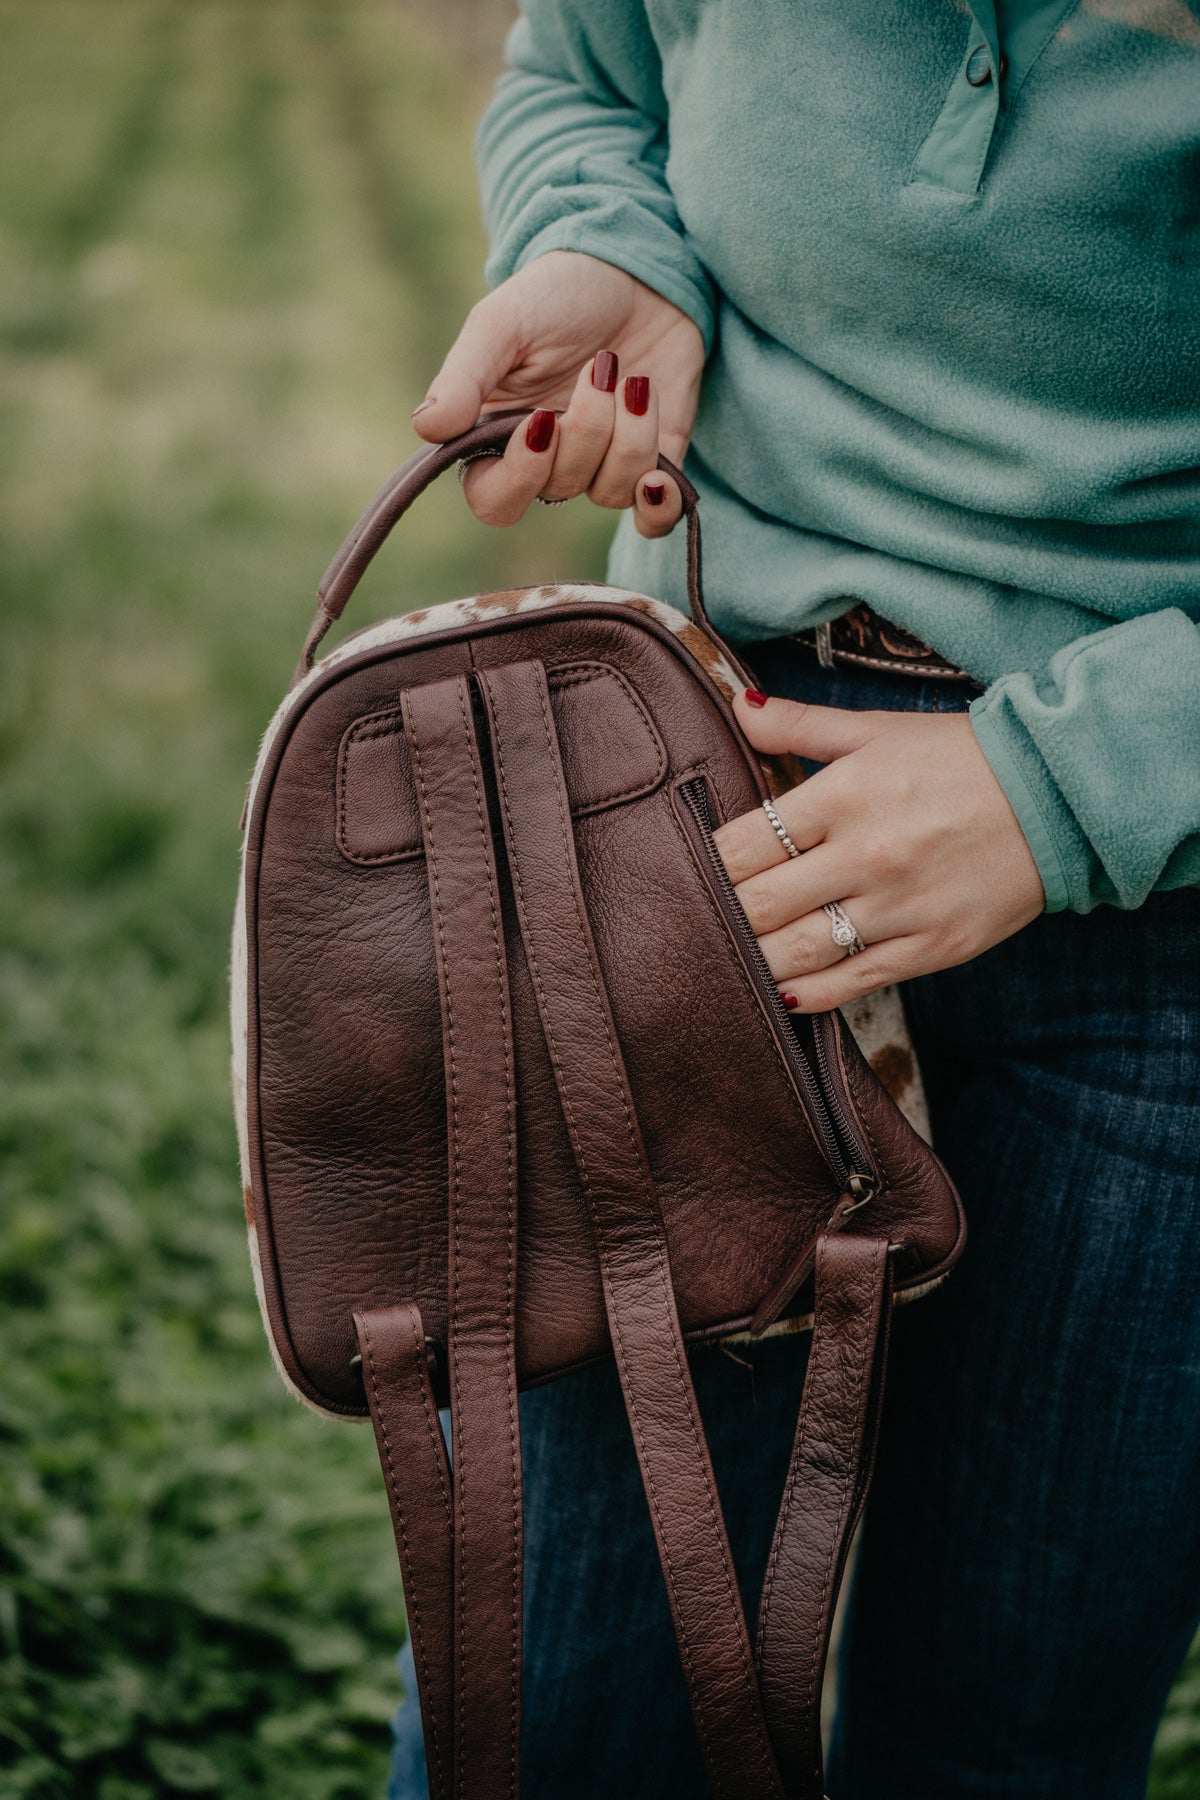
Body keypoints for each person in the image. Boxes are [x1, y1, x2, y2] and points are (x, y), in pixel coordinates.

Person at [388, 4, 1200, 1795]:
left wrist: (1066, 785)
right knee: (561, 1696)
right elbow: (585, 75)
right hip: (687, 813)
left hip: (1167, 934)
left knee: (1012, 1735)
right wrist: (611, 245)